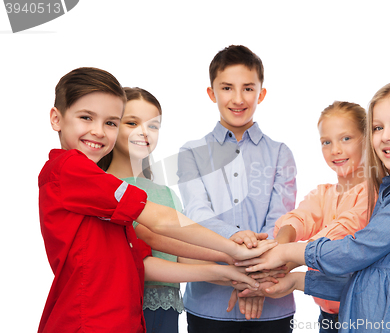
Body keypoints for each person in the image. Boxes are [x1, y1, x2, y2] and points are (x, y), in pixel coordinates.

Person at [38, 67, 277, 333]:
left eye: (110, 123)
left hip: (120, 319)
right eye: (86, 117)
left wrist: (228, 263)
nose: (98, 131)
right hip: (89, 321)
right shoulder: (71, 169)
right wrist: (233, 250)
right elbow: (160, 221)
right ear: (56, 119)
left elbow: (151, 244)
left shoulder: (98, 187)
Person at [236, 79, 390, 332]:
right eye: (378, 128)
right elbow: (366, 282)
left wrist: (286, 253)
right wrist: (294, 281)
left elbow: (360, 248)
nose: (387, 136)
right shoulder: (389, 192)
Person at [177, 45, 297, 332]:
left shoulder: (281, 153)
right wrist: (233, 237)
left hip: (272, 301)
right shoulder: (191, 152)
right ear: (212, 93)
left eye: (248, 88)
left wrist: (255, 280)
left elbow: (281, 220)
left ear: (261, 94)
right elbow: (197, 212)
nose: (238, 99)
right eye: (227, 88)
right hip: (208, 304)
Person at [271, 101, 370, 332]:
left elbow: (342, 231)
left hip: (361, 316)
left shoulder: (373, 193)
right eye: (327, 142)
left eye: (346, 138)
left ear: (366, 140)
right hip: (327, 316)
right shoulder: (323, 193)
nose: (335, 149)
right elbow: (300, 217)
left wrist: (289, 258)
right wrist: (279, 246)